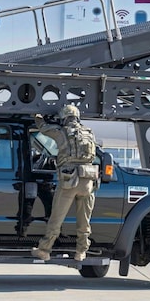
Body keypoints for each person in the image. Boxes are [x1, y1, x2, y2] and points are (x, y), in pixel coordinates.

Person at [30, 104, 99, 262]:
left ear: (64, 118)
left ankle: (44, 250)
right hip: (88, 181)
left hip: (69, 181)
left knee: (56, 218)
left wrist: (38, 116)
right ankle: (81, 251)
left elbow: (42, 128)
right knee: (84, 221)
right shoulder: (89, 133)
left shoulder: (61, 132)